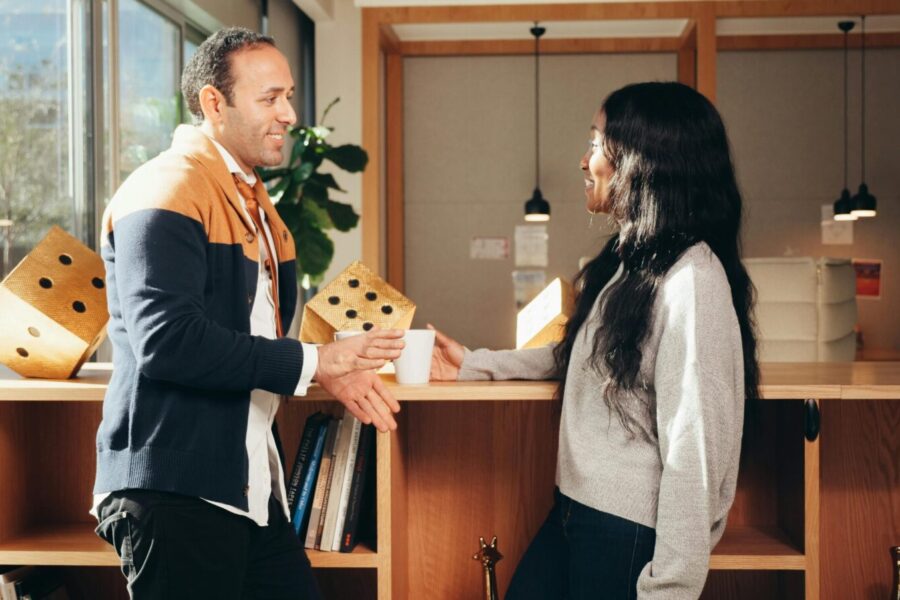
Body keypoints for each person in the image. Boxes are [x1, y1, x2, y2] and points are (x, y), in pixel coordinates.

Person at [92, 27, 403, 599]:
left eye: (288, 96)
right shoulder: (166, 186)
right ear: (215, 102)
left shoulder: (257, 207)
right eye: (270, 98)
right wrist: (316, 359)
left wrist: (331, 368)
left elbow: (251, 342)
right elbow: (168, 342)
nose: (288, 113)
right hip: (178, 494)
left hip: (250, 490)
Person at [430, 81, 759, 600]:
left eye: (596, 143)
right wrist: (472, 364)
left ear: (641, 160)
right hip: (576, 510)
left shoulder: (692, 279)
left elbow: (695, 450)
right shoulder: (630, 265)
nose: (585, 162)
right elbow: (581, 357)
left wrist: (671, 586)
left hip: (626, 531)